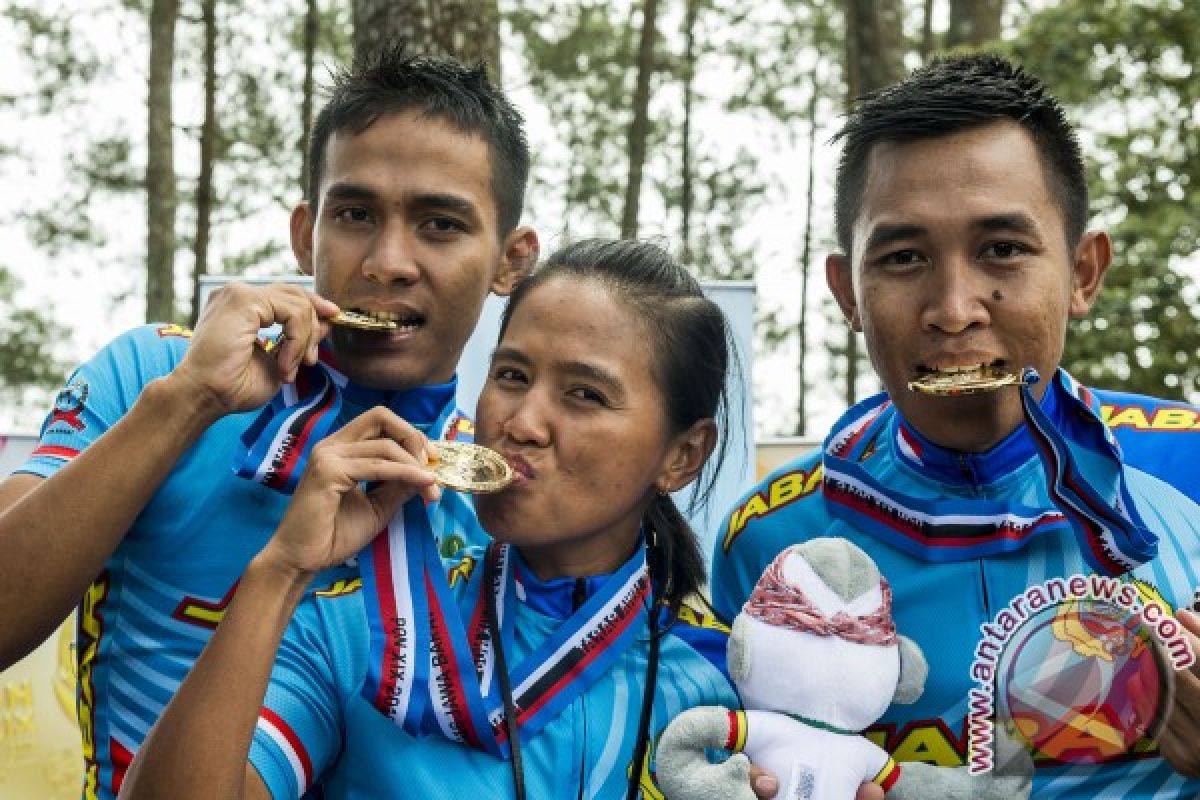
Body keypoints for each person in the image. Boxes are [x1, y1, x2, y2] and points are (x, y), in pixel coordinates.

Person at [0, 47, 538, 799]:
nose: (387, 261)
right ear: (304, 233)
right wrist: (188, 403)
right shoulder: (155, 378)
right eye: (355, 215)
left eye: (440, 224)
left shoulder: (493, 490)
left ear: (510, 261)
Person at [711, 53, 1200, 799]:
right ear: (848, 293)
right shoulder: (770, 541)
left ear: (1083, 272)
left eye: (1001, 249)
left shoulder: (1185, 463)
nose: (954, 308)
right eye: (904, 257)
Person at [119, 239, 761, 800]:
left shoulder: (727, 686)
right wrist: (282, 569)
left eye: (584, 395)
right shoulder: (361, 634)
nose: (521, 423)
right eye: (511, 374)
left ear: (682, 455)